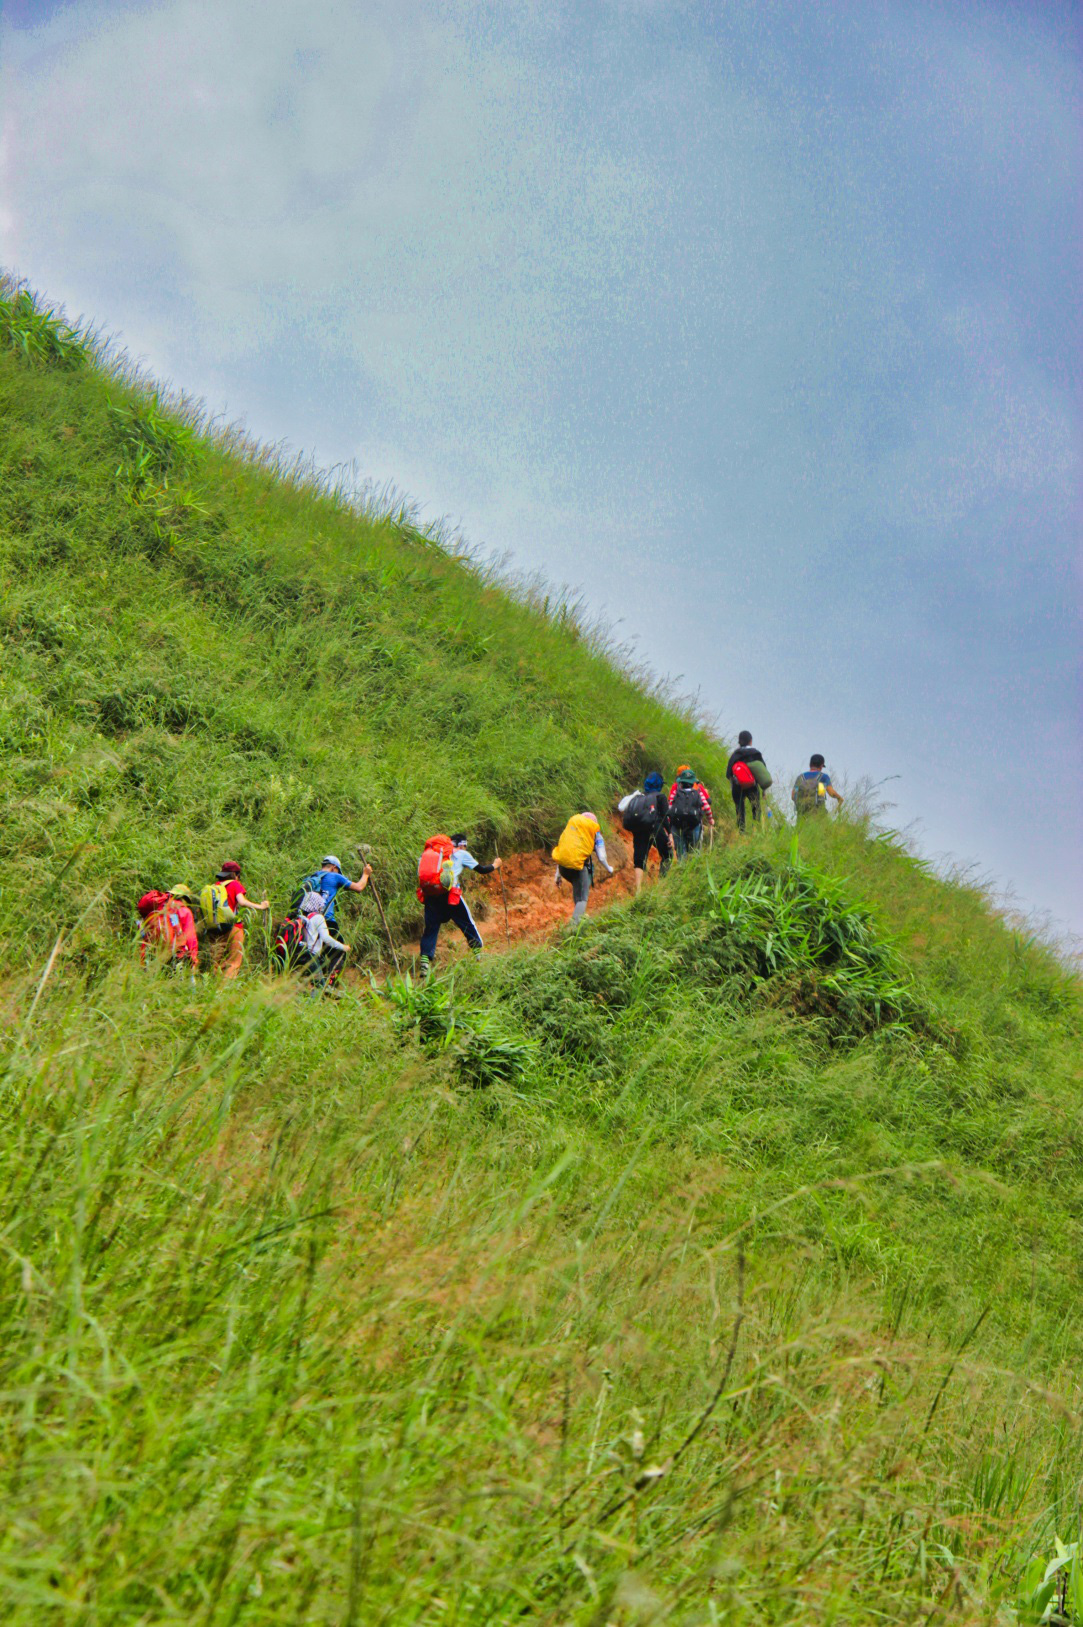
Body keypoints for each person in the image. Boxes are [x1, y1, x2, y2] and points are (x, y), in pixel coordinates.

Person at [417, 833, 502, 974]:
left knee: (431, 929)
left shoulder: (427, 855)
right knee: (467, 923)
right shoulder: (462, 854)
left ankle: (424, 965)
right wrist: (495, 864)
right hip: (450, 895)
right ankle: (479, 955)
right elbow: (482, 870)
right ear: (461, 844)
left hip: (431, 896)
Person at [199, 859, 270, 978]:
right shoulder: (235, 884)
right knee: (234, 961)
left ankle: (213, 987)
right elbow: (242, 902)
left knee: (217, 962)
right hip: (233, 927)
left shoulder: (214, 887)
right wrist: (261, 906)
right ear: (236, 875)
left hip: (214, 926)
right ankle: (225, 990)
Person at [552, 811, 614, 926]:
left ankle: (580, 918)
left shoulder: (571, 831)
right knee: (582, 897)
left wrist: (558, 875)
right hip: (578, 867)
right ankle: (574, 926)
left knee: (578, 889)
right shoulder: (595, 833)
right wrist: (609, 868)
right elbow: (601, 856)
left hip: (563, 868)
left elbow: (562, 853)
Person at [620, 771, 672, 893]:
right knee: (667, 854)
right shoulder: (660, 796)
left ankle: (638, 890)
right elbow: (665, 816)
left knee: (639, 860)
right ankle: (662, 885)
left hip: (639, 830)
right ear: (659, 784)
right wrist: (670, 833)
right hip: (655, 828)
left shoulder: (638, 796)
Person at [138, 886, 199, 974]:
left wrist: (143, 960)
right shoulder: (184, 910)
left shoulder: (157, 908)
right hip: (175, 956)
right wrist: (193, 960)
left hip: (152, 956)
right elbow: (190, 938)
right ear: (183, 898)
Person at [726, 730, 770, 833]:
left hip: (738, 787)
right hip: (752, 787)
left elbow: (728, 774)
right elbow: (763, 774)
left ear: (739, 742)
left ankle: (741, 832)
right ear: (750, 741)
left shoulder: (735, 755)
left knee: (739, 810)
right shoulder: (756, 754)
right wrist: (764, 791)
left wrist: (734, 787)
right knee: (756, 809)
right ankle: (756, 830)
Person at [668, 766, 714, 857]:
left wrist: (669, 826)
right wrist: (710, 819)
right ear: (693, 782)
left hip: (677, 826)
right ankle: (694, 869)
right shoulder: (698, 792)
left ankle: (682, 869)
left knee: (681, 853)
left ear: (681, 782)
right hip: (694, 825)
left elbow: (670, 809)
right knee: (695, 851)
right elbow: (707, 807)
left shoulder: (675, 792)